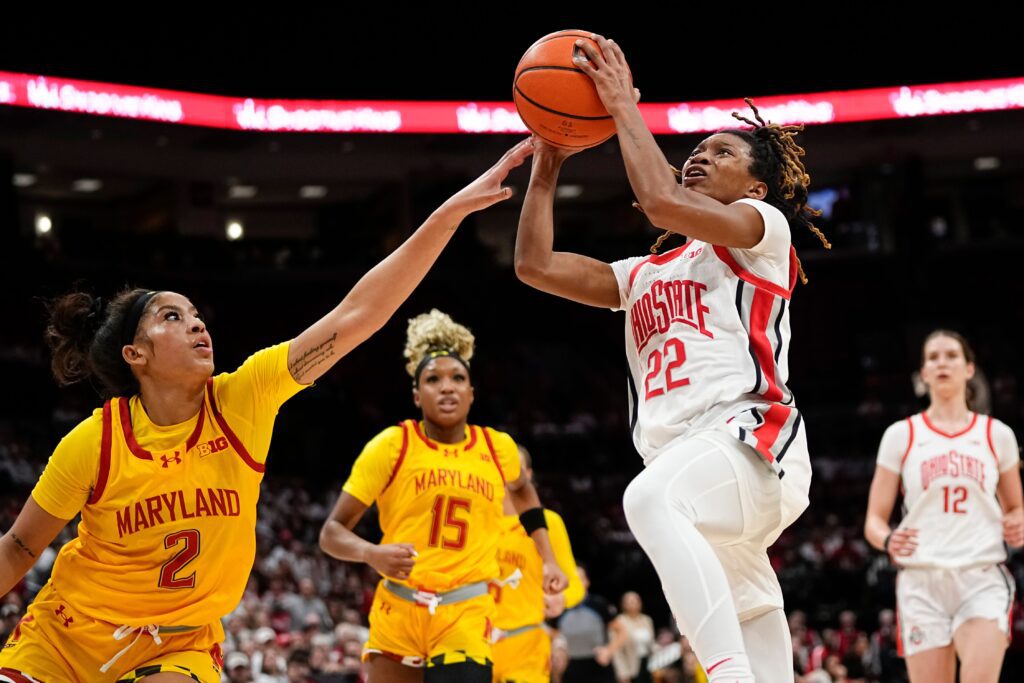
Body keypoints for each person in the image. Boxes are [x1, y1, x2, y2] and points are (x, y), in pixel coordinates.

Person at [0, 139, 535, 683]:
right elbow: (18, 549)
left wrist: (450, 212)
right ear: (135, 356)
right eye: (172, 316)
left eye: (196, 313)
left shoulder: (243, 397)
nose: (196, 323)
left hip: (177, 647)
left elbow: (359, 313)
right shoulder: (95, 443)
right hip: (63, 639)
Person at [513, 33, 830, 683]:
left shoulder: (760, 232)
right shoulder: (642, 274)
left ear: (757, 186)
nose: (700, 157)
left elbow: (660, 200)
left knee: (648, 501)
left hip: (749, 438)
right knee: (752, 622)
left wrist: (620, 104)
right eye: (696, 149)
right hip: (694, 463)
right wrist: (550, 156)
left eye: (723, 151)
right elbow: (534, 264)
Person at [319, 310, 568, 683]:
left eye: (458, 378)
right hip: (399, 609)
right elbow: (331, 533)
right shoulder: (392, 446)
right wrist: (371, 553)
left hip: (465, 611)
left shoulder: (497, 448)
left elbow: (523, 488)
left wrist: (546, 557)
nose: (447, 387)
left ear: (471, 392)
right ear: (417, 396)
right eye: (433, 380)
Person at [864, 329, 1024, 683]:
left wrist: (1018, 522)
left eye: (951, 355)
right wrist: (888, 540)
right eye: (932, 357)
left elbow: (1016, 508)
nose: (941, 363)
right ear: (922, 373)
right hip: (921, 580)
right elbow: (874, 521)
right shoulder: (900, 435)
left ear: (969, 369)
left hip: (980, 575)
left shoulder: (997, 434)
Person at [491, 445, 585, 683]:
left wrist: (561, 599)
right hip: (476, 644)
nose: (510, 475)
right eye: (503, 468)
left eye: (517, 468)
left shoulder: (548, 522)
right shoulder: (476, 521)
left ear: (528, 475)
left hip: (526, 643)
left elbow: (574, 583)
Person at [599, 592, 655, 683]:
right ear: (623, 605)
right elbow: (616, 650)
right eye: (629, 601)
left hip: (648, 664)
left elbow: (652, 643)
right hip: (630, 665)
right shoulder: (619, 622)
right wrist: (622, 673)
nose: (633, 604)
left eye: (635, 601)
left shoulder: (646, 620)